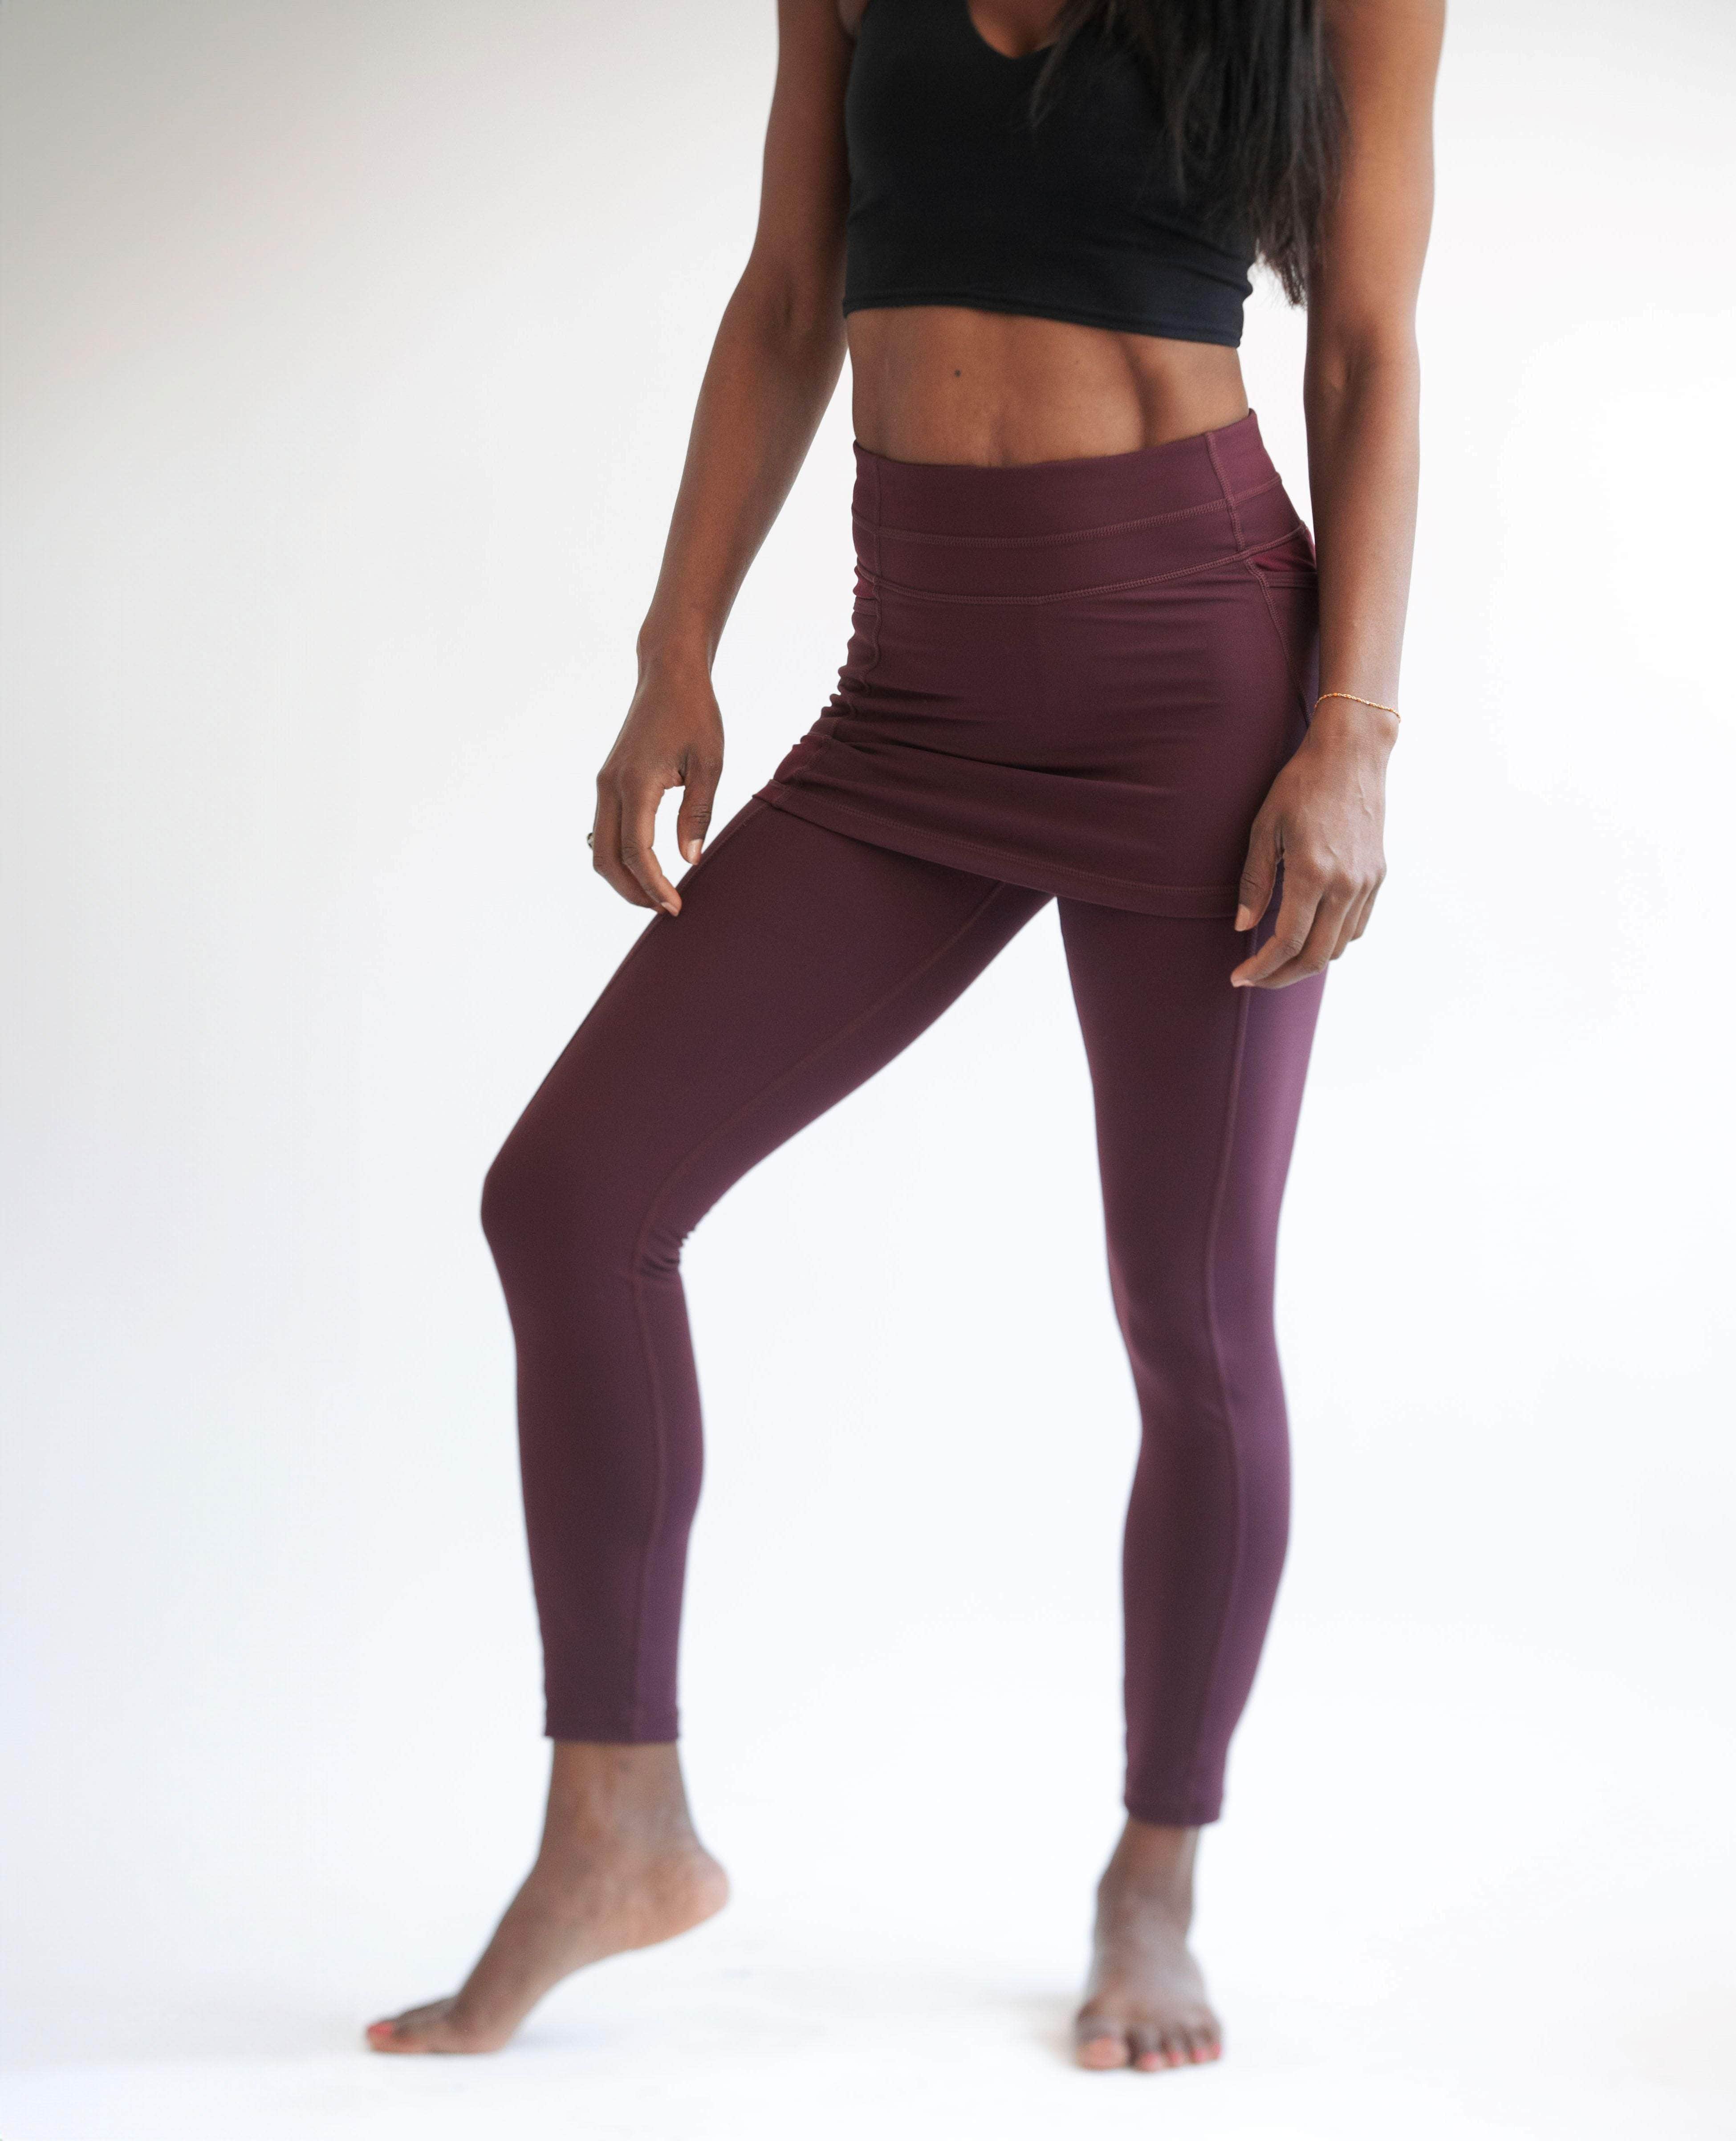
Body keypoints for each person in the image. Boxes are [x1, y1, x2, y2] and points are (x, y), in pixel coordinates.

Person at [366, 0, 1442, 2075]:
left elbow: (1368, 343)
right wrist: (675, 645)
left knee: (1189, 1314)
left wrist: (1352, 728)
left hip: (1192, 679)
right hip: (914, 686)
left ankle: (1158, 1869)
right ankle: (615, 1820)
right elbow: (789, 293)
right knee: (572, 1197)